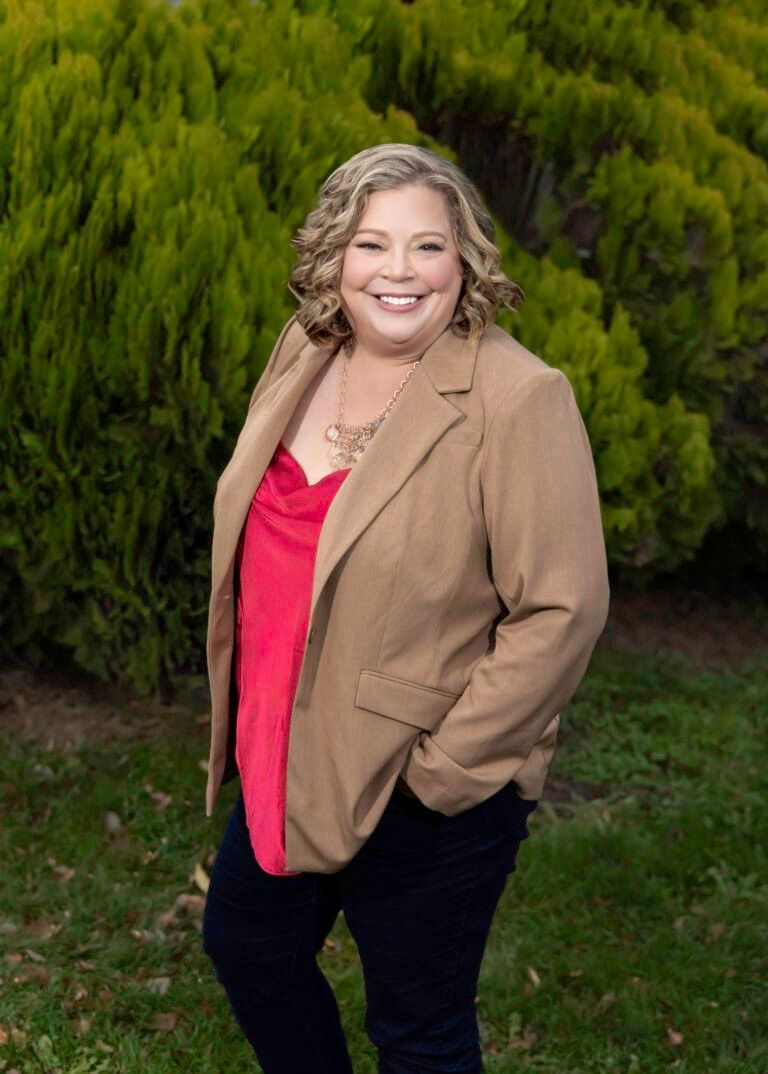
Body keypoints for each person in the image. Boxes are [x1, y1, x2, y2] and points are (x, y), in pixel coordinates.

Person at [201, 143, 610, 1073]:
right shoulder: (307, 350)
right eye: (371, 243)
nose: (397, 272)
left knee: (418, 1031)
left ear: (464, 259)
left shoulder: (518, 398)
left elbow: (563, 607)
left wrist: (448, 771)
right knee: (248, 947)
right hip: (287, 748)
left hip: (425, 778)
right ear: (332, 254)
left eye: (427, 247)